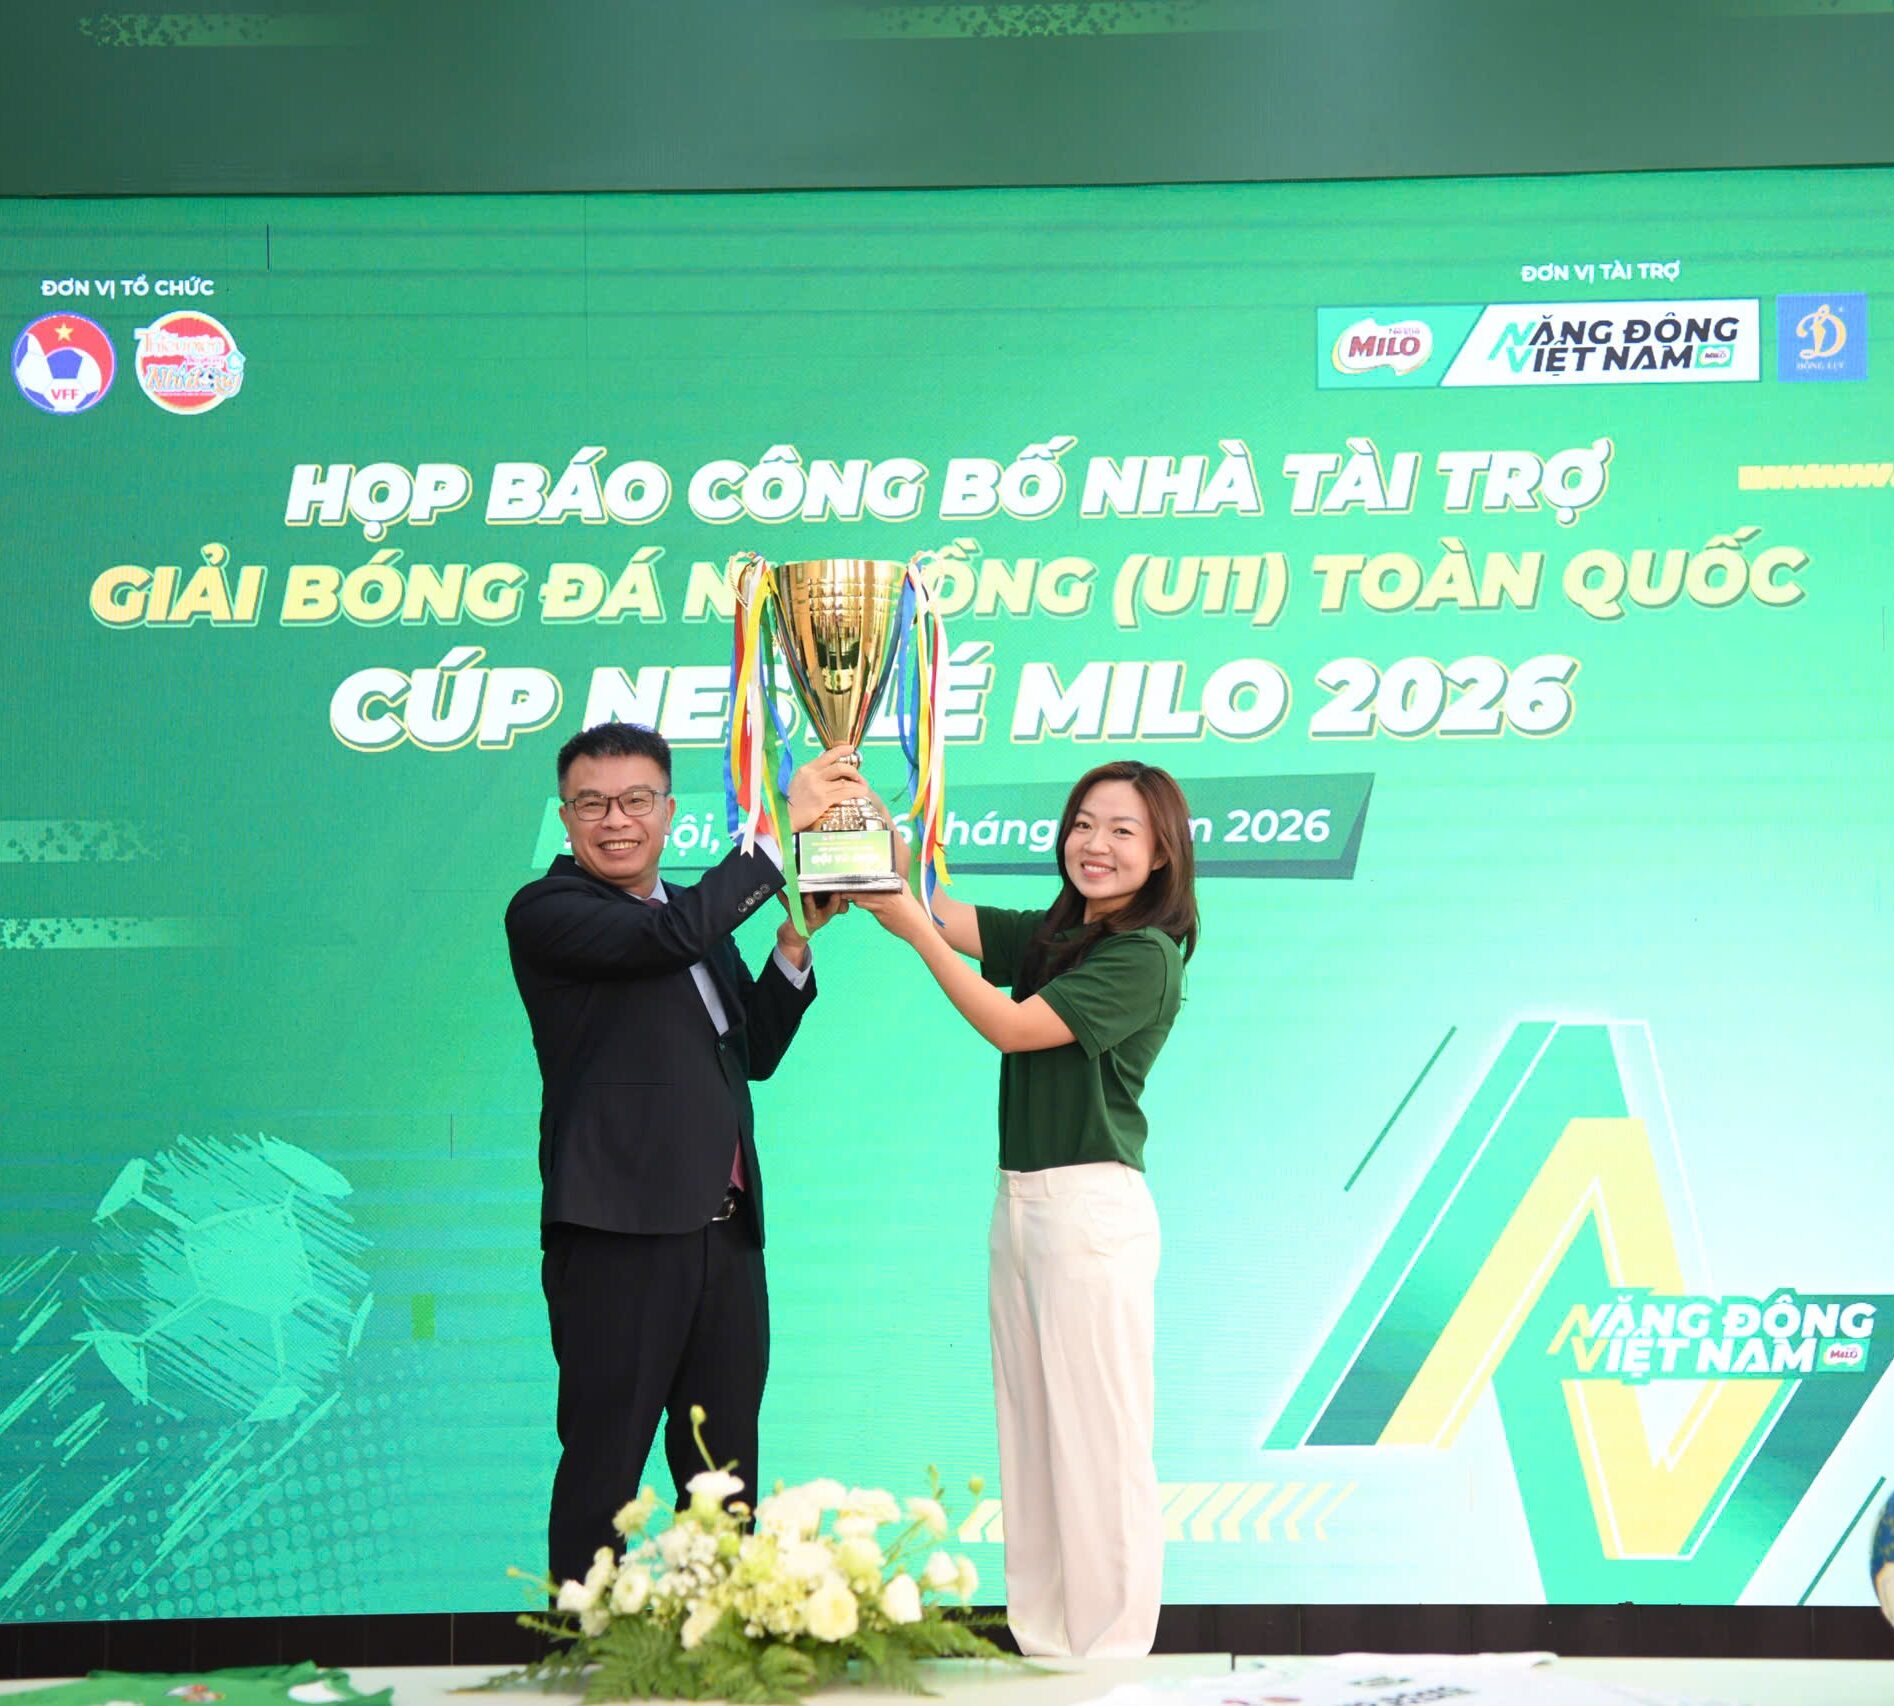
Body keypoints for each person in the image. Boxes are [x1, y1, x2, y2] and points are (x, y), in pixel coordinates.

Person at [855, 760, 1198, 1659]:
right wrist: (871, 830)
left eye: (1122, 830)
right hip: (1020, 1204)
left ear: (1163, 852)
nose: (1095, 844)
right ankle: (1048, 1641)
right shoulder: (1060, 933)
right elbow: (939, 912)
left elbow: (1010, 1026)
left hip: (1089, 1211)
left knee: (1099, 1439)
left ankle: (1111, 1647)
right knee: (1034, 1432)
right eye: (1084, 823)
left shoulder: (1144, 956)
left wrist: (916, 932)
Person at [506, 721, 858, 1588]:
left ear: (669, 812)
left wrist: (793, 942)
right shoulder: (549, 912)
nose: (615, 820)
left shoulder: (693, 918)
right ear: (565, 817)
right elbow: (663, 941)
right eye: (592, 804)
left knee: (724, 1473)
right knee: (604, 1466)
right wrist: (778, 832)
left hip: (726, 1237)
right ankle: (583, 1647)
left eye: (636, 800)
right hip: (618, 1235)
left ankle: (721, 1641)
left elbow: (753, 1052)